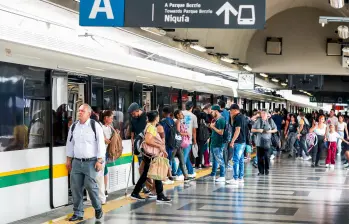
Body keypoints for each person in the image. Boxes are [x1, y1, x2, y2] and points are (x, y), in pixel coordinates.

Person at [66, 104, 105, 221]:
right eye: (79, 111)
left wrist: (99, 160)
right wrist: (68, 160)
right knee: (75, 187)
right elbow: (70, 144)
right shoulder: (73, 127)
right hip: (77, 162)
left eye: (82, 111)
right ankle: (78, 212)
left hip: (91, 162)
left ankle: (97, 208)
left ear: (89, 113)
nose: (80, 112)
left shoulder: (95, 126)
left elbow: (101, 144)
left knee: (90, 185)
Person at [130, 110, 172, 203]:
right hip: (151, 154)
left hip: (148, 154)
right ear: (156, 118)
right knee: (154, 173)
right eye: (158, 116)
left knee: (146, 173)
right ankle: (160, 195)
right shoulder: (152, 127)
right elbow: (148, 140)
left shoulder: (149, 126)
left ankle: (136, 192)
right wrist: (159, 146)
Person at [128, 102, 150, 194]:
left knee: (148, 167)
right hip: (139, 145)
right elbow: (132, 132)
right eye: (131, 114)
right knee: (142, 166)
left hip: (147, 145)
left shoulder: (146, 117)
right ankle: (144, 186)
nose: (133, 116)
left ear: (138, 110)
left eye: (133, 113)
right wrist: (132, 143)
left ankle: (148, 186)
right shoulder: (133, 119)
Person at [251, 109, 277, 176]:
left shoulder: (270, 121)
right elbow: (252, 129)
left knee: (266, 157)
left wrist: (269, 131)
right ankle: (261, 171)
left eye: (264, 113)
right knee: (259, 157)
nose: (263, 115)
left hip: (268, 142)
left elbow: (275, 129)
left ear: (267, 114)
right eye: (262, 113)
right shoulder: (258, 121)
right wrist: (258, 130)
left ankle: (267, 169)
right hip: (259, 142)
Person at [176, 101, 197, 178]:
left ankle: (191, 171)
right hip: (187, 139)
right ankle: (179, 173)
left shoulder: (181, 113)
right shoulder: (193, 116)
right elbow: (194, 130)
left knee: (185, 155)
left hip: (179, 139)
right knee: (184, 156)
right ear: (192, 108)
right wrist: (195, 141)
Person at [226, 104, 247, 185]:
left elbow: (237, 130)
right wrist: (231, 116)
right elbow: (232, 125)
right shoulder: (242, 117)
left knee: (235, 160)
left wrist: (232, 141)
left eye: (231, 111)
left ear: (235, 110)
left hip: (238, 142)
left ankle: (235, 178)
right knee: (241, 160)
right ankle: (240, 178)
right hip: (242, 141)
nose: (230, 112)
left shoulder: (238, 118)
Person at [208, 105, 226, 182]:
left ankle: (222, 175)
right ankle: (213, 173)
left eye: (212, 111)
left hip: (218, 143)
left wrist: (213, 127)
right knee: (214, 159)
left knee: (220, 159)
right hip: (214, 142)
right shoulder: (216, 119)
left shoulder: (221, 120)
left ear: (216, 111)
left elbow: (221, 132)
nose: (211, 113)